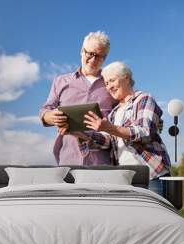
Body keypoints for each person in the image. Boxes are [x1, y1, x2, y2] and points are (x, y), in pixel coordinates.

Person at [76, 61, 171, 197]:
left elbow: (144, 132)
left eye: (112, 81)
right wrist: (79, 133)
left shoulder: (143, 99)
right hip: (125, 178)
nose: (109, 87)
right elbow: (107, 141)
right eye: (106, 84)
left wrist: (110, 128)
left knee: (157, 216)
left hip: (151, 174)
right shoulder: (113, 113)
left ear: (126, 78)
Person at [40, 31, 117, 165]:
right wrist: (50, 116)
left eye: (99, 56)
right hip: (68, 158)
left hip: (101, 161)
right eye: (90, 54)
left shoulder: (111, 85)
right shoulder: (61, 81)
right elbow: (46, 110)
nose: (93, 60)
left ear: (105, 58)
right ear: (82, 51)